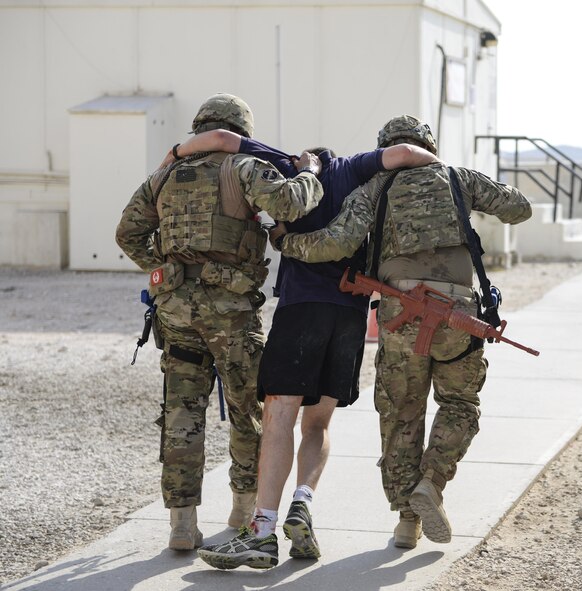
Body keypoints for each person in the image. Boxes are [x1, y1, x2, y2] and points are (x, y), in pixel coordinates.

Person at [165, 127, 439, 569]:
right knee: (318, 425)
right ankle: (302, 503)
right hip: (350, 316)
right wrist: (446, 173)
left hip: (301, 310)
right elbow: (408, 152)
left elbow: (218, 136)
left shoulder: (287, 164)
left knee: (279, 418)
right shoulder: (357, 168)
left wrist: (173, 154)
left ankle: (262, 532)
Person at [275, 115, 532, 549]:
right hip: (458, 315)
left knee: (400, 414)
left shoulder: (375, 189)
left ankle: (406, 522)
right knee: (459, 404)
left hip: (400, 316)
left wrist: (285, 241)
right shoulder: (458, 178)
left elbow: (334, 244)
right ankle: (432, 481)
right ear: (428, 145)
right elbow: (518, 208)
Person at [115, 93, 326, 551]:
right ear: (241, 131)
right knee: (249, 410)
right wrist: (311, 172)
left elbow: (127, 231)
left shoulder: (165, 175)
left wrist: (164, 270)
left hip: (175, 311)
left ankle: (182, 524)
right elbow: (290, 204)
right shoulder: (244, 167)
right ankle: (243, 508)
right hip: (230, 311)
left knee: (181, 414)